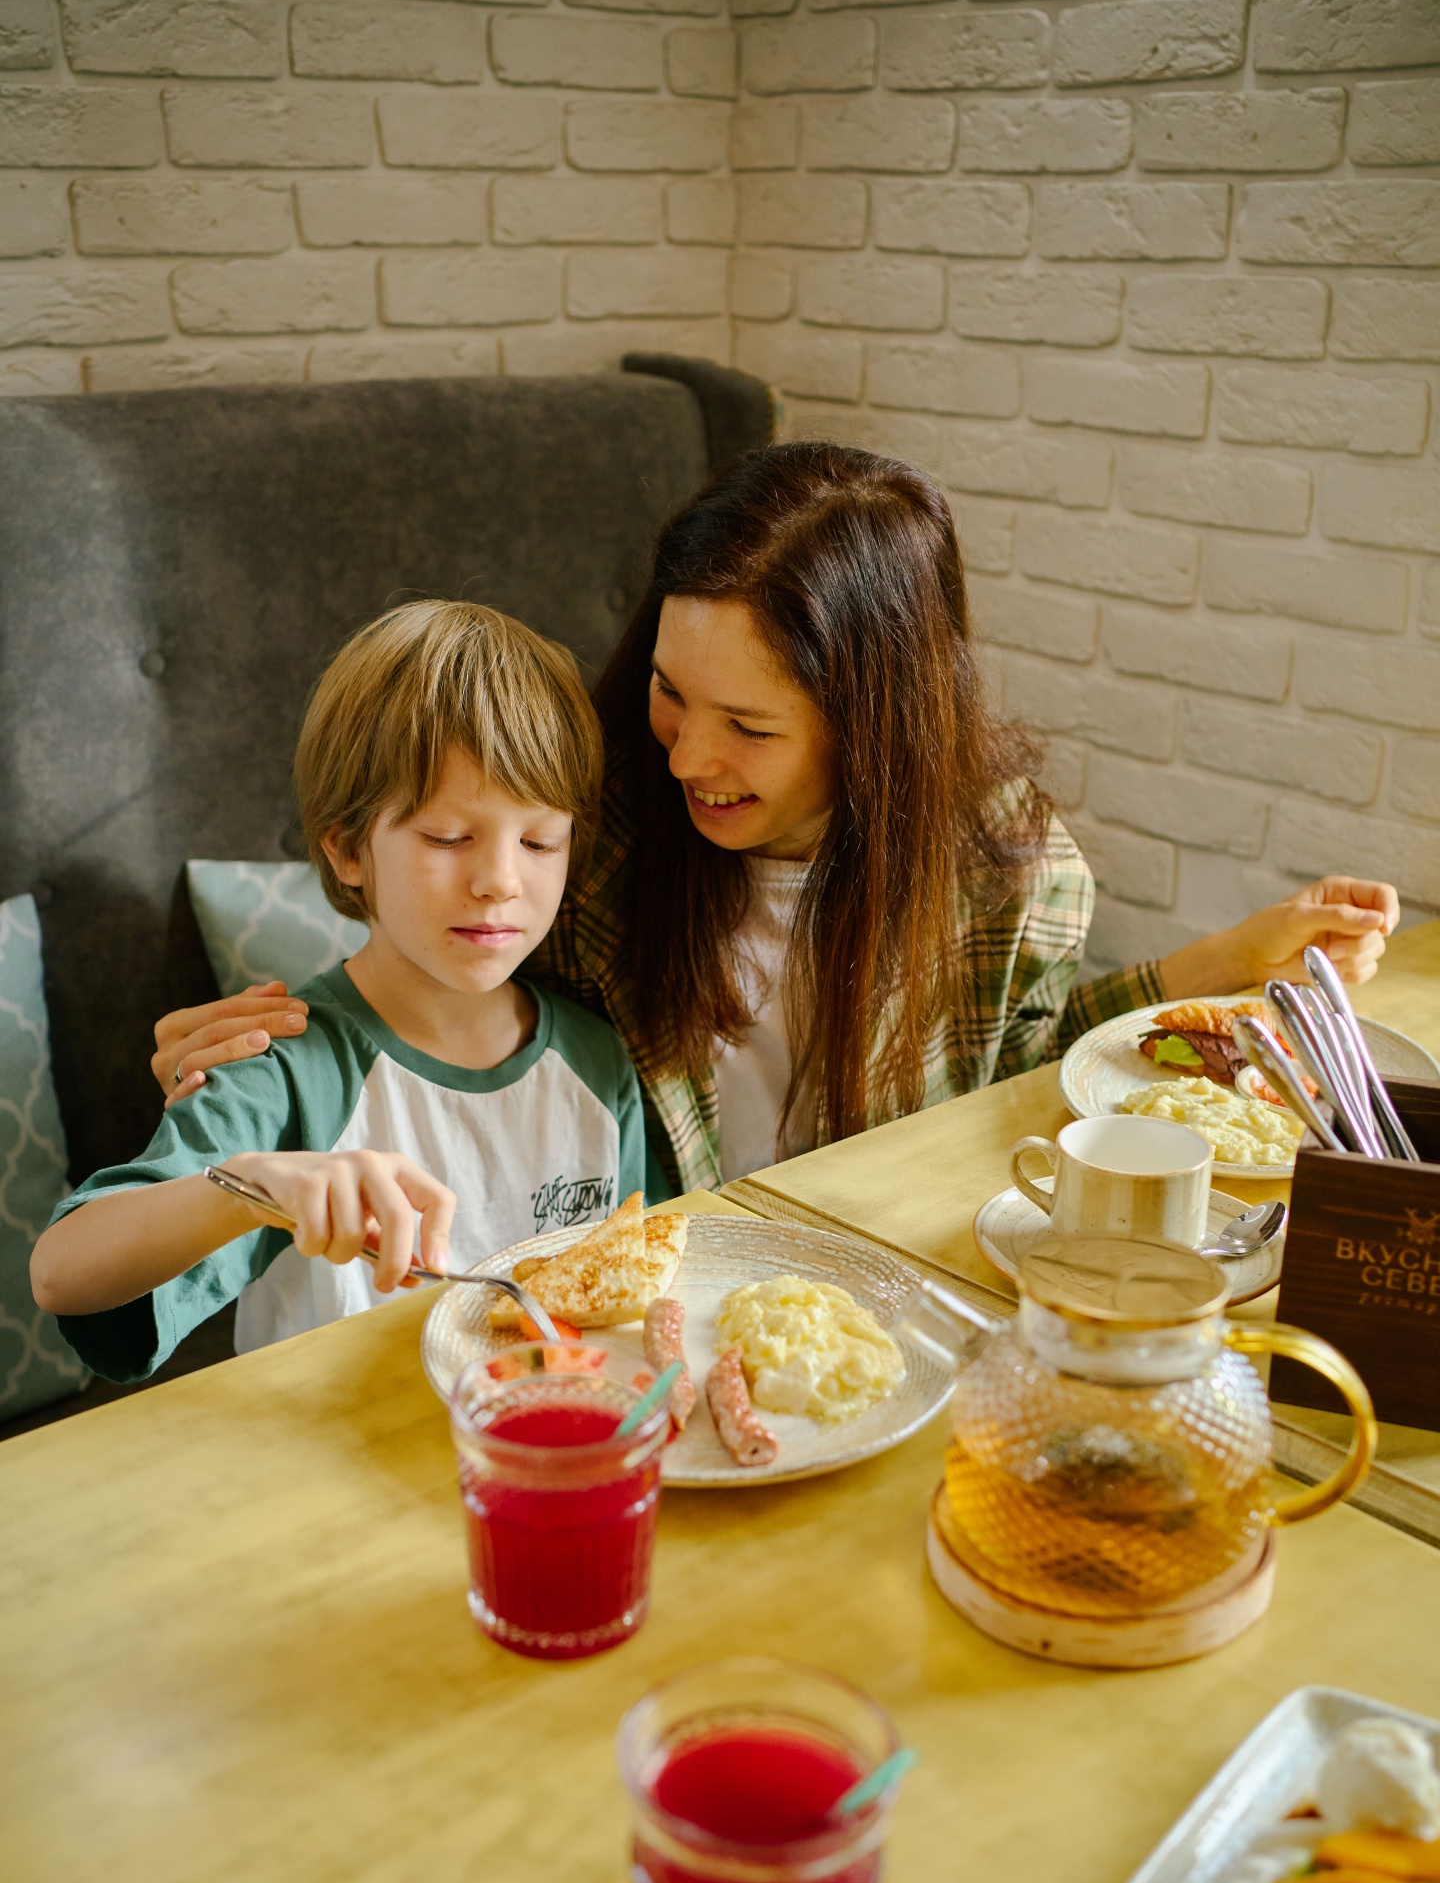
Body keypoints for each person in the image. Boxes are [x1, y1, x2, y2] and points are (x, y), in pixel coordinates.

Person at [147, 443, 1400, 1198]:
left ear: (879, 726)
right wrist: (280, 1063)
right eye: (669, 691)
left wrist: (1222, 969)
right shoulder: (594, 841)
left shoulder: (1008, 868)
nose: (689, 754)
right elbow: (442, 996)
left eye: (750, 728)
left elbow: (1005, 1075)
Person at [30, 601, 646, 1379]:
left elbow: (632, 1310)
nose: (499, 881)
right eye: (449, 838)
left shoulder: (596, 1060)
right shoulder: (281, 1064)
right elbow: (61, 1272)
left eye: (538, 841)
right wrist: (249, 1186)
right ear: (349, 848)